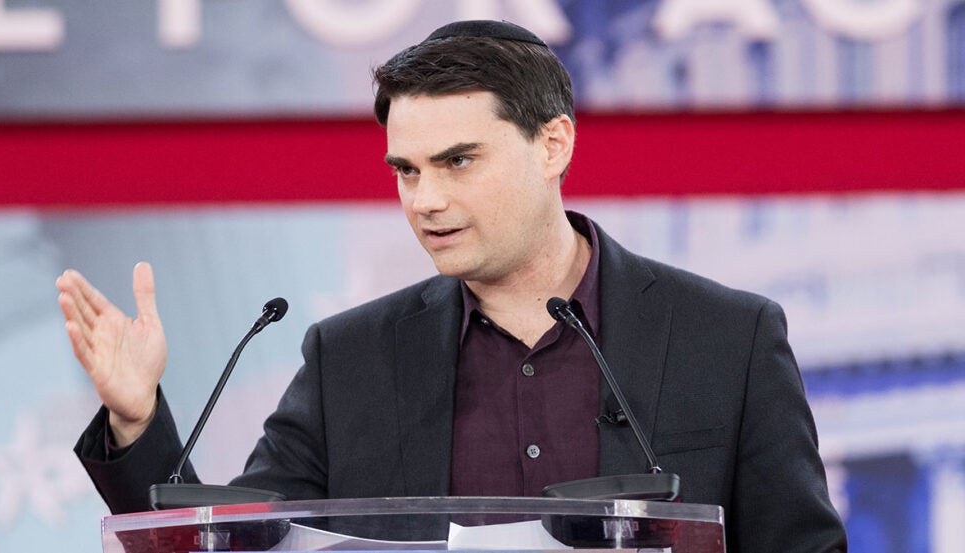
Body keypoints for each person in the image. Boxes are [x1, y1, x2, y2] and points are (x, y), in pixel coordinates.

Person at [58, 20, 848, 552]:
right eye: (406, 170)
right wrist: (136, 421)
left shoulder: (727, 337)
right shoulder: (351, 358)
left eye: (458, 161)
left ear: (553, 144)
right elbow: (232, 545)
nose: (425, 200)